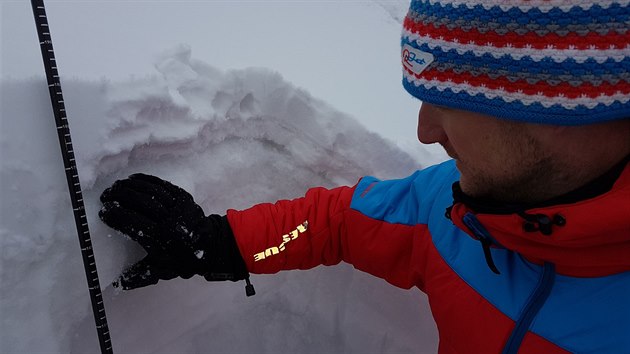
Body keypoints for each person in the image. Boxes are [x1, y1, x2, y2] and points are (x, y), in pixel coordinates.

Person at [98, 1, 630, 353]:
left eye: (445, 104)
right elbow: (333, 225)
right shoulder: (451, 209)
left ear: (560, 112)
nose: (424, 132)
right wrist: (224, 244)